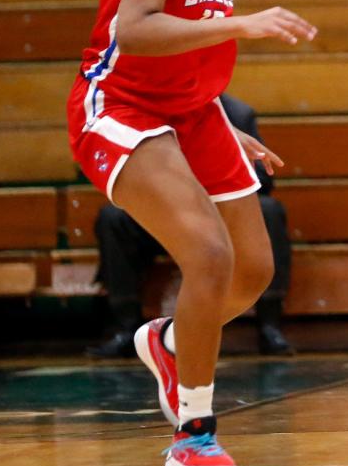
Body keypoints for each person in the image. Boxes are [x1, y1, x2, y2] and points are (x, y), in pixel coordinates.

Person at [67, 0, 317, 466]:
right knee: (206, 254)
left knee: (253, 269)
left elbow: (190, 45)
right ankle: (194, 433)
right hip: (118, 107)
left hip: (190, 111)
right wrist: (245, 22)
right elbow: (138, 30)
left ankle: (171, 340)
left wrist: (220, 120)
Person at [86, 94, 294, 360]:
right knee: (112, 217)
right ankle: (126, 327)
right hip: (165, 211)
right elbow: (123, 173)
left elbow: (264, 179)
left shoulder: (239, 113)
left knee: (269, 212)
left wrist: (216, 182)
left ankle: (269, 326)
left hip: (222, 211)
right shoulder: (143, 107)